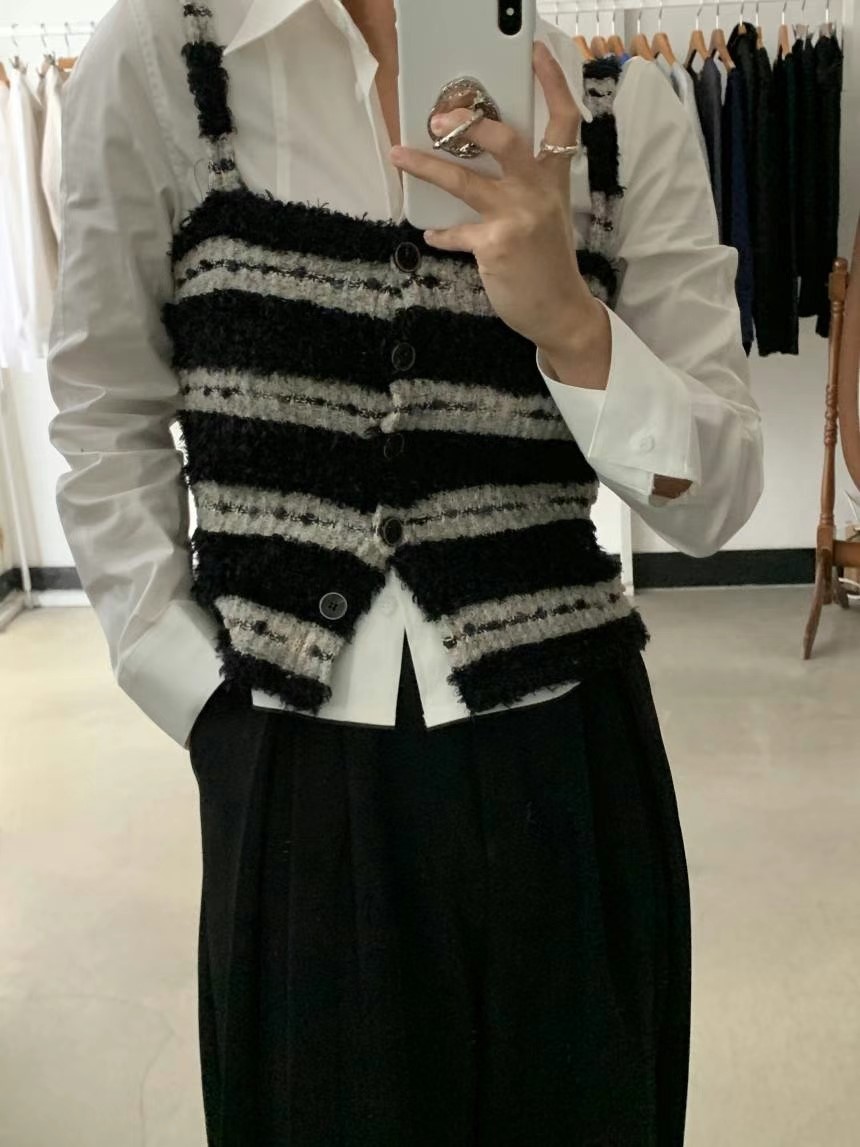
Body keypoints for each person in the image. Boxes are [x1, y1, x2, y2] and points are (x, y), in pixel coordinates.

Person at [47, 0, 764, 1143]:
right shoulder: (167, 60)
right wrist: (202, 705)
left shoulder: (622, 111)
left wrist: (570, 323)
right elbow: (103, 410)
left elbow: (714, 495)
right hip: (292, 765)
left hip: (569, 771)